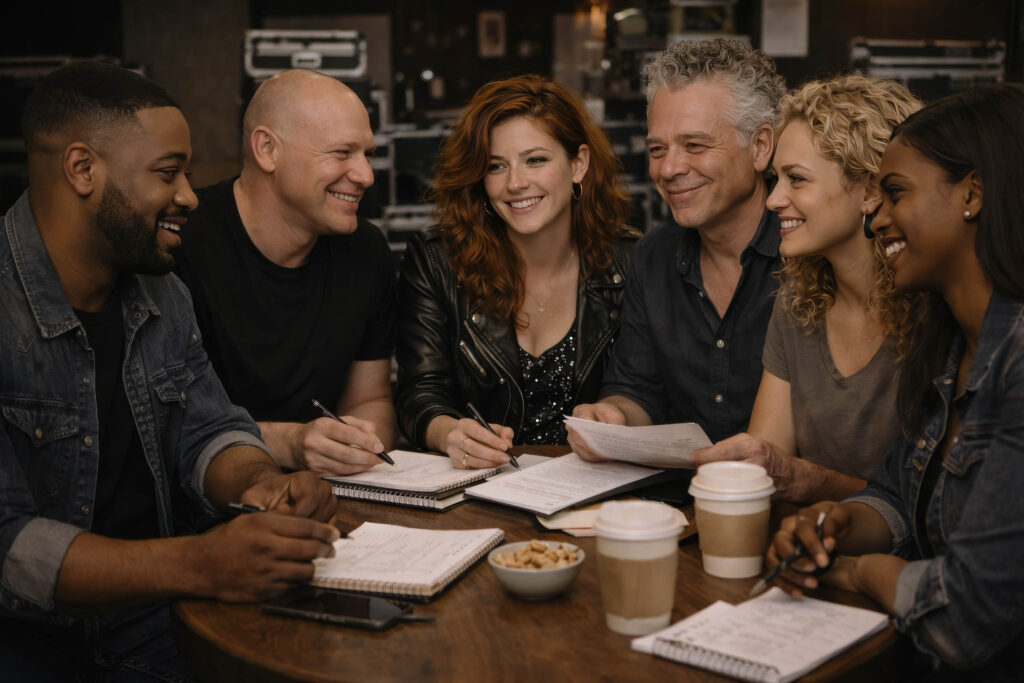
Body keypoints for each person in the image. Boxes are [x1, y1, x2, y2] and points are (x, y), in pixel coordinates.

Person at [0, 61, 340, 681]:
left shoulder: (163, 296)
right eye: (167, 173)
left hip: (155, 622)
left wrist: (264, 485)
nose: (188, 194)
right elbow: (9, 548)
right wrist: (202, 564)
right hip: (26, 644)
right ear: (82, 170)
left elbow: (209, 432)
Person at [767, 83, 1024, 676]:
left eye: (896, 193)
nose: (875, 215)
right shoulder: (952, 343)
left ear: (972, 194)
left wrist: (857, 570)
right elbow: (897, 496)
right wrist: (831, 524)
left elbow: (966, 617)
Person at [692, 75, 923, 502]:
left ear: (870, 189)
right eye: (776, 178)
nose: (774, 199)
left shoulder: (932, 310)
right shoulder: (798, 302)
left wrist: (807, 480)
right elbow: (769, 467)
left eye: (796, 179)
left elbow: (938, 511)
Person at [396, 75, 637, 468]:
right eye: (495, 166)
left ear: (578, 164)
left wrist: (616, 413)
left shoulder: (630, 261)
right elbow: (418, 393)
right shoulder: (437, 260)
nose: (515, 183)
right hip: (476, 491)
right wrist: (451, 434)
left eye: (535, 160)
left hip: (594, 494)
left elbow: (646, 390)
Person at [568, 38, 786, 459]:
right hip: (678, 505)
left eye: (695, 146)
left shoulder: (807, 252)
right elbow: (637, 390)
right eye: (657, 149)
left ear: (760, 147)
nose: (668, 169)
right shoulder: (653, 255)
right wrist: (611, 418)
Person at [174, 69, 397, 477]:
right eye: (342, 153)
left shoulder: (367, 250)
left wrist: (356, 445)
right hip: (201, 505)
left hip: (334, 495)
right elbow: (160, 423)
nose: (365, 175)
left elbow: (370, 400)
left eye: (367, 154)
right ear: (267, 149)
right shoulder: (181, 244)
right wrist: (290, 444)